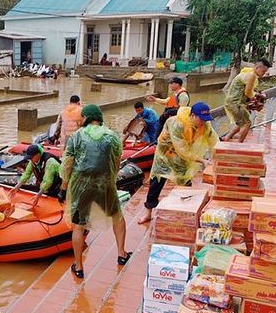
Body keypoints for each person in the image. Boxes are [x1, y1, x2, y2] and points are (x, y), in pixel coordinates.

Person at [59, 104, 131, 278]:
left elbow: (67, 163)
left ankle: (79, 267)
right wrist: (110, 181)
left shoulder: (76, 136)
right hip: (105, 184)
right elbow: (117, 159)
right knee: (117, 216)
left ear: (85, 118)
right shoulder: (111, 136)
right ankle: (121, 254)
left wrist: (63, 188)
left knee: (78, 226)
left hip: (81, 186)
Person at [138, 102, 219, 224]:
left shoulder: (205, 125)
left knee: (185, 181)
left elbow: (214, 140)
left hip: (181, 157)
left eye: (206, 119)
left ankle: (188, 212)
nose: (204, 122)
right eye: (201, 119)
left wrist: (219, 156)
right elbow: (182, 149)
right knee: (157, 182)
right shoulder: (178, 124)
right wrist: (202, 160)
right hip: (166, 153)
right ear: (193, 116)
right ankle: (148, 213)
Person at [223, 58, 271, 143]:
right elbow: (248, 93)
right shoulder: (251, 75)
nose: (264, 74)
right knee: (247, 123)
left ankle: (227, 137)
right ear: (257, 68)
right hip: (235, 103)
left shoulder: (247, 72)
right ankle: (239, 143)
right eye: (263, 72)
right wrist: (259, 95)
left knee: (242, 121)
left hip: (232, 102)